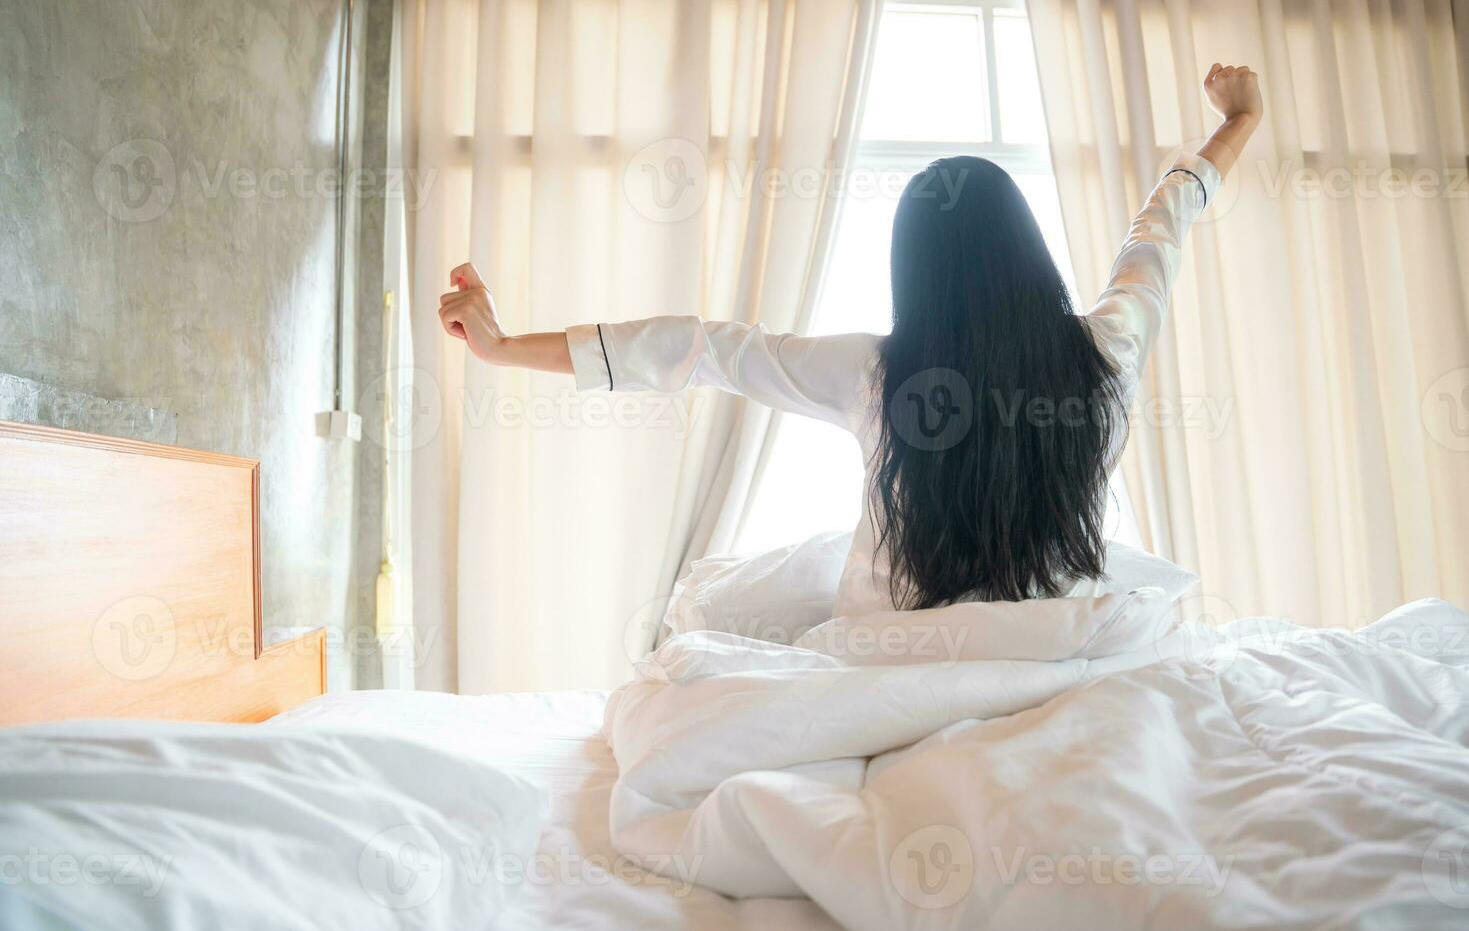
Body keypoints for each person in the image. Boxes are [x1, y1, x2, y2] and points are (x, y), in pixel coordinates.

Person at [438, 64, 1264, 616]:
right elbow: (1163, 222)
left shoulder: (875, 371)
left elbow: (698, 347)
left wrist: (504, 347)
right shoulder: (1106, 349)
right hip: (1065, 652)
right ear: (1029, 251)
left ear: (912, 270)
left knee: (716, 610)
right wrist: (1243, 118)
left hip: (895, 664)